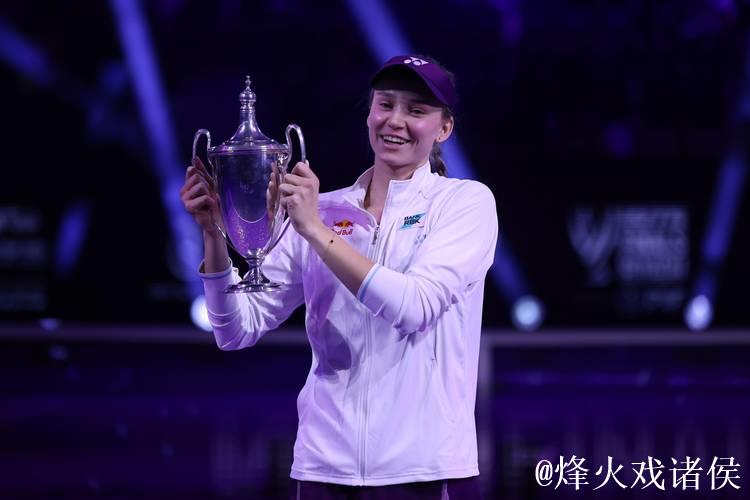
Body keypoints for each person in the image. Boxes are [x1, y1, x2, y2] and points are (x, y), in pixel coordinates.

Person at [180, 55, 498, 499]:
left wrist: (315, 230)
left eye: (416, 110)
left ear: (444, 129)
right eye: (385, 104)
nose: (395, 120)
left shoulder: (464, 203)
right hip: (322, 470)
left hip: (422, 470)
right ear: (370, 114)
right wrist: (214, 234)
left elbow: (414, 307)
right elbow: (234, 330)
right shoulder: (323, 210)